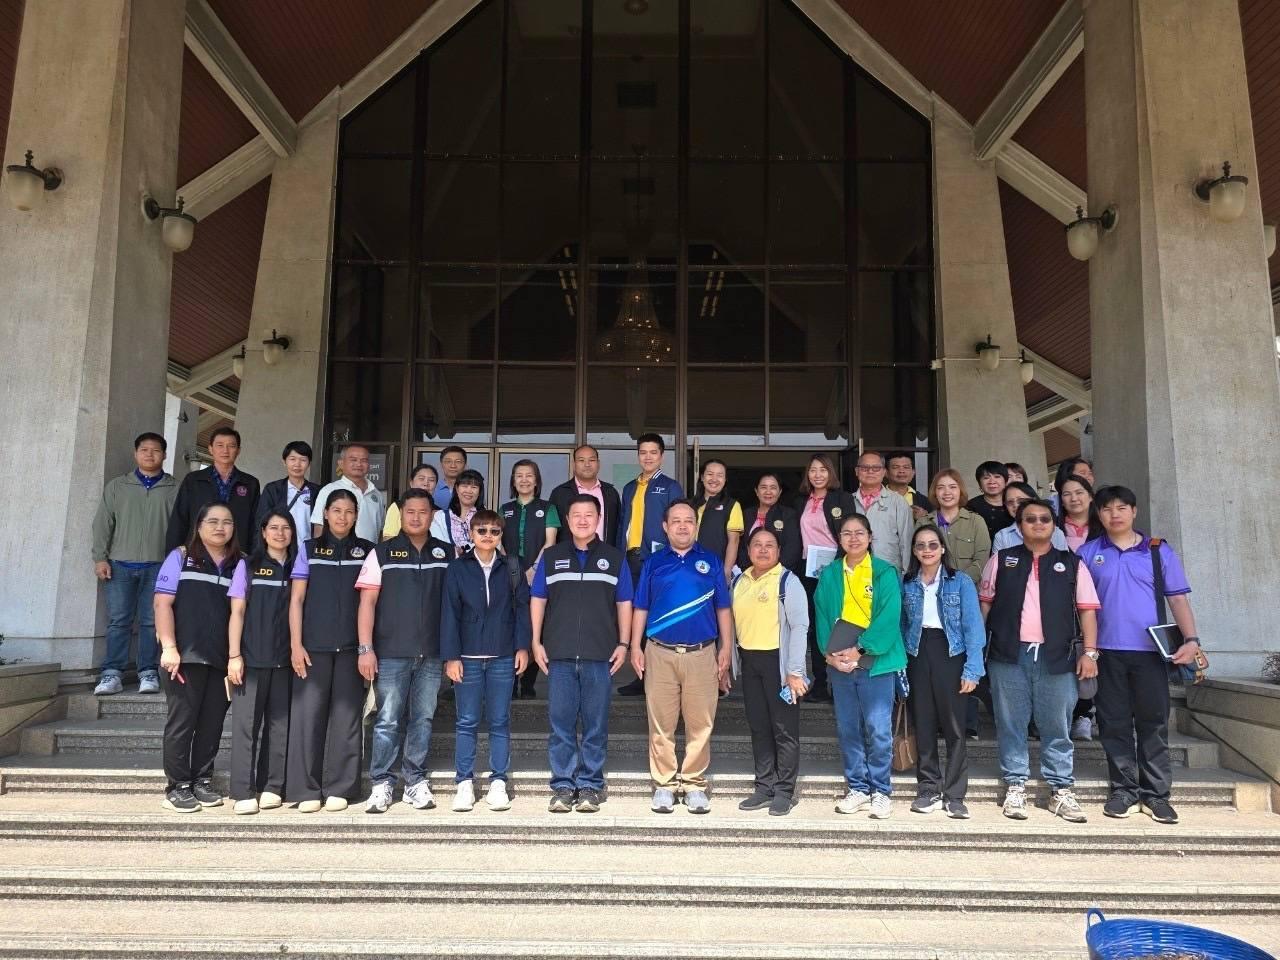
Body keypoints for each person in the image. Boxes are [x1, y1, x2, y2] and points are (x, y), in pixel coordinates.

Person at [1078, 486, 1202, 825]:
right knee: (1113, 723)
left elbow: (1178, 598)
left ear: (1134, 511)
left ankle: (1156, 795)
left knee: (1153, 722)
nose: (1114, 514)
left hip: (1150, 652)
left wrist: (1191, 640)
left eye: (1122, 507)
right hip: (1106, 652)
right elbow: (1081, 607)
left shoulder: (1158, 551)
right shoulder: (1088, 554)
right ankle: (1124, 791)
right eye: (1107, 509)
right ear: (1099, 514)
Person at [979, 499, 1100, 823]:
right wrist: (978, 650)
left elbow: (1087, 611)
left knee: (1057, 725)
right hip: (1008, 655)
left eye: (1044, 519)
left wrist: (1090, 653)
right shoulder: (1001, 560)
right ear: (1019, 526)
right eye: (1030, 519)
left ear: (1054, 525)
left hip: (1057, 657)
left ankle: (1060, 789)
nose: (1037, 524)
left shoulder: (1072, 564)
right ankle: (1015, 785)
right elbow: (985, 606)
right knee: (1011, 723)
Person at [529, 494, 633, 813]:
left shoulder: (614, 558)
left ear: (598, 519)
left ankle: (590, 785)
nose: (583, 520)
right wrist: (535, 641)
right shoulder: (552, 556)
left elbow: (624, 602)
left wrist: (624, 643)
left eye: (589, 514)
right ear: (568, 520)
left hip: (599, 654)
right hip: (559, 654)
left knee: (595, 724)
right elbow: (538, 599)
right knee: (560, 724)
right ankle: (563, 785)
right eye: (576, 514)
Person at [630, 500, 733, 814]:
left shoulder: (711, 561)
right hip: (659, 652)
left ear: (696, 525)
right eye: (676, 521)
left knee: (701, 722)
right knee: (660, 723)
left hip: (702, 653)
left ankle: (693, 784)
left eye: (689, 520)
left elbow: (723, 608)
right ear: (665, 527)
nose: (683, 526)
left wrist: (726, 648)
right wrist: (635, 645)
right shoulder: (653, 562)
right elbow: (641, 607)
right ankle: (664, 784)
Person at [358, 489, 452, 814]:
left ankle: (414, 780)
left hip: (432, 652)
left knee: (422, 718)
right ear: (401, 515)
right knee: (387, 719)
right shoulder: (382, 553)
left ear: (432, 515)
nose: (416, 517)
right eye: (410, 511)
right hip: (391, 651)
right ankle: (382, 782)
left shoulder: (446, 553)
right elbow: (367, 603)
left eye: (423, 512)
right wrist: (366, 648)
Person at [814, 514, 907, 819]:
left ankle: (881, 791)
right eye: (846, 533)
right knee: (848, 727)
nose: (853, 539)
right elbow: (822, 615)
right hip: (840, 663)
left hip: (876, 662)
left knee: (878, 729)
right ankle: (857, 788)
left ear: (870, 537)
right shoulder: (830, 573)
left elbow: (889, 616)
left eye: (859, 533)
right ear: (839, 539)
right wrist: (829, 656)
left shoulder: (884, 572)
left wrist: (861, 649)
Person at [153, 502, 241, 813]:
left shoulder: (239, 564)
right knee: (182, 723)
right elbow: (162, 604)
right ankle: (177, 786)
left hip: (220, 659)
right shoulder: (180, 557)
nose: (220, 527)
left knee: (212, 724)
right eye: (213, 521)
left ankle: (202, 779)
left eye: (227, 522)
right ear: (199, 525)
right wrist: (169, 647)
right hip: (184, 657)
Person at [441, 508, 532, 812]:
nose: (488, 536)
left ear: (500, 535)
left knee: (500, 720)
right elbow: (449, 613)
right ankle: (464, 782)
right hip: (467, 657)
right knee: (466, 721)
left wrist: (522, 647)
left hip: (502, 656)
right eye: (482, 530)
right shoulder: (458, 568)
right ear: (471, 534)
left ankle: (498, 781)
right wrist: (451, 656)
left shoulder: (512, 567)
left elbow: (522, 609)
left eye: (494, 531)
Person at [286, 489, 370, 813]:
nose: (342, 517)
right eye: (337, 510)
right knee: (308, 718)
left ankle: (341, 787)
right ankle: (306, 789)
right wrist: (296, 644)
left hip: (351, 649)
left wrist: (366, 647)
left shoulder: (367, 551)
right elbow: (296, 600)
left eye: (349, 511)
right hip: (313, 648)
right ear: (325, 513)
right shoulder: (309, 549)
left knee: (347, 719)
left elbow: (370, 602)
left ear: (356, 516)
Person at [901, 524, 985, 819]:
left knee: (954, 726)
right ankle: (928, 789)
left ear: (942, 549)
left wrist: (973, 669)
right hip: (916, 652)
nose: (927, 550)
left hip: (951, 653)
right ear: (914, 551)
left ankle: (955, 794)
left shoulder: (960, 581)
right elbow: (901, 625)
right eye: (921, 545)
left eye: (933, 545)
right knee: (923, 723)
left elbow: (973, 626)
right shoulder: (906, 582)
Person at [91, 432, 178, 696]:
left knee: (152, 622)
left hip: (159, 566)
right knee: (119, 621)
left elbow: (183, 526)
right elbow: (103, 523)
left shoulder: (175, 488)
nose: (150, 454)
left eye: (156, 450)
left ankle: (148, 672)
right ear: (135, 453)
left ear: (164, 455)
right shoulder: (118, 486)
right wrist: (100, 557)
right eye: (144, 450)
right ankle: (112, 673)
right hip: (120, 564)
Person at [731, 527, 809, 816]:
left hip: (779, 664)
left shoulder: (788, 581)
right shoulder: (739, 581)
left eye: (769, 545)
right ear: (748, 550)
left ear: (778, 551)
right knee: (759, 726)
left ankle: (785, 791)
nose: (763, 550)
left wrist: (794, 671)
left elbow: (799, 627)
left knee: (784, 730)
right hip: (750, 662)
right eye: (757, 545)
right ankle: (764, 787)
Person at [226, 511, 297, 815]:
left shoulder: (298, 566)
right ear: (264, 532)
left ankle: (272, 786)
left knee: (279, 726)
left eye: (286, 528)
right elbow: (237, 612)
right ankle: (243, 791)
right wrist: (234, 655)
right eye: (274, 528)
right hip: (251, 659)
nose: (280, 533)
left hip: (285, 661)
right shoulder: (249, 565)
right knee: (246, 726)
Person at [616, 433, 684, 696]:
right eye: (643, 452)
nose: (647, 457)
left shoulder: (670, 486)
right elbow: (623, 524)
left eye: (653, 452)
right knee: (637, 616)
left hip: (658, 561)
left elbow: (677, 523)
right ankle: (641, 676)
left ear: (662, 456)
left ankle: (661, 677)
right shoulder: (629, 488)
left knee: (658, 616)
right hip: (630, 559)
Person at [795, 453, 860, 703]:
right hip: (808, 571)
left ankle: (844, 682)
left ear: (830, 473)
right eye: (813, 470)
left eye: (823, 470)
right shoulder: (800, 501)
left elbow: (850, 534)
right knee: (815, 626)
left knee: (840, 625)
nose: (818, 475)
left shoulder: (842, 498)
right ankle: (820, 684)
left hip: (836, 569)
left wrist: (841, 564)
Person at [500, 460, 560, 699]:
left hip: (539, 574)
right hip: (509, 575)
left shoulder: (548, 508)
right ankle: (511, 679)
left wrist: (535, 568)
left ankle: (528, 684)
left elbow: (550, 542)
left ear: (536, 481)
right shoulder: (504, 509)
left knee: (537, 626)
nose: (524, 480)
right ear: (513, 481)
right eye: (519, 476)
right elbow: (498, 543)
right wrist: (512, 569)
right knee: (511, 624)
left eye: (529, 475)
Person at [165, 426, 260, 554]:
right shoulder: (193, 480)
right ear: (210, 449)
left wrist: (254, 558)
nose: (225, 450)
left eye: (231, 446)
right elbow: (179, 520)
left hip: (237, 553)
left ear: (238, 450)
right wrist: (172, 556)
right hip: (198, 552)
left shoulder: (250, 483)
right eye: (220, 445)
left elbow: (255, 525)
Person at [922, 469, 990, 586]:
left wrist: (956, 584)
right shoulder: (924, 523)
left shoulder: (976, 522)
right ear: (935, 493)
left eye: (953, 487)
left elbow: (981, 561)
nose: (947, 492)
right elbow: (919, 558)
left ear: (960, 491)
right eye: (940, 488)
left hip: (967, 589)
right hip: (932, 588)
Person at [548, 444, 622, 548]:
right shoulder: (560, 493)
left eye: (592, 460)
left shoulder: (610, 492)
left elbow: (619, 528)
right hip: (569, 555)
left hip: (605, 555)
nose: (587, 464)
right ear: (574, 464)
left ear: (598, 464)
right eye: (581, 460)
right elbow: (552, 531)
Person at [853, 451, 914, 574]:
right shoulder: (848, 501)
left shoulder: (898, 502)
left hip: (888, 572)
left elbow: (907, 542)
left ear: (884, 472)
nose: (870, 471)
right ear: (857, 471)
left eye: (876, 468)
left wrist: (907, 574)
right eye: (865, 468)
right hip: (854, 572)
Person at [311, 444, 385, 544]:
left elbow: (380, 530)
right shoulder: (328, 490)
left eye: (364, 460)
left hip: (370, 551)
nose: (359, 464)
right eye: (353, 460)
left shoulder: (376, 493)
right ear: (341, 463)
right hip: (337, 551)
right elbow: (319, 526)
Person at [256, 441, 320, 548]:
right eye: (292, 459)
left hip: (308, 550)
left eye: (303, 460)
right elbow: (261, 521)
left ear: (309, 463)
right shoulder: (272, 490)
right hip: (280, 549)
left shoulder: (317, 491)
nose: (297, 464)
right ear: (284, 462)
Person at [735, 472, 802, 575]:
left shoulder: (789, 515)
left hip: (778, 575)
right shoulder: (746, 514)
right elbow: (741, 547)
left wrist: (772, 574)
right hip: (749, 574)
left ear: (779, 492)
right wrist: (749, 571)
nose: (768, 491)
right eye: (763, 487)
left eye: (773, 488)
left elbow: (792, 549)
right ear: (756, 491)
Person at [693, 458, 743, 585]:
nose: (714, 479)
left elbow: (734, 541)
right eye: (710, 474)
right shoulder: (691, 504)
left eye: (720, 475)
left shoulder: (731, 505)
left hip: (715, 568)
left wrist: (726, 570)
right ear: (702, 477)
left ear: (725, 480)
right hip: (690, 566)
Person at [992, 482, 1070, 553]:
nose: (1015, 505)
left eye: (1021, 501)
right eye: (1010, 502)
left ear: (1034, 500)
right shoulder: (1002, 536)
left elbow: (1065, 561)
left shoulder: (1056, 532)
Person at [431, 468, 483, 556]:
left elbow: (491, 545)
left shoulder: (486, 518)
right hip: (447, 564)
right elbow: (437, 545)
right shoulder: (440, 517)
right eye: (464, 486)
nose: (469, 491)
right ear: (457, 489)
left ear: (479, 492)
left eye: (474, 487)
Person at [382, 464, 438, 540]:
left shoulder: (439, 512)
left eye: (431, 480)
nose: (426, 483)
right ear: (411, 483)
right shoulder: (398, 506)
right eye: (421, 479)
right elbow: (388, 538)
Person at [966, 460, 1010, 542]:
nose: (992, 481)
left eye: (997, 477)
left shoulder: (1014, 503)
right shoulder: (971, 506)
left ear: (1006, 481)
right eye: (986, 478)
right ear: (979, 484)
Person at [1057, 476, 1103, 552]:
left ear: (1090, 496)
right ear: (1061, 501)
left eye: (1079, 492)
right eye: (1067, 494)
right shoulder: (1052, 527)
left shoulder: (1104, 524)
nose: (1074, 499)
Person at [885, 453, 931, 520]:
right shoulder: (876, 498)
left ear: (913, 472)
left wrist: (924, 519)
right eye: (896, 467)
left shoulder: (924, 501)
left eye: (906, 467)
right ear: (886, 473)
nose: (901, 471)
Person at [433, 445, 468, 511]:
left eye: (458, 461)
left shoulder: (471, 490)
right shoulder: (432, 488)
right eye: (448, 461)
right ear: (441, 464)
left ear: (465, 465)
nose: (453, 466)